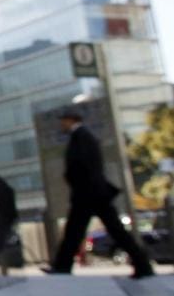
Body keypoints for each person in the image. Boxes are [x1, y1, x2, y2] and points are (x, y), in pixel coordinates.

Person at [47, 107, 155, 279]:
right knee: (78, 231)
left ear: (71, 120)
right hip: (91, 193)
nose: (61, 124)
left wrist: (75, 182)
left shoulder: (82, 136)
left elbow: (83, 166)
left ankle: (142, 264)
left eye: (63, 121)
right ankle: (62, 266)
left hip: (89, 194)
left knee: (91, 231)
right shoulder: (82, 136)